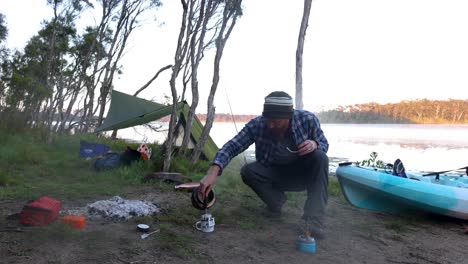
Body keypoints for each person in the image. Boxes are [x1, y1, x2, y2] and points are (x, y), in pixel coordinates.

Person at [199, 91, 329, 239]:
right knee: (248, 171)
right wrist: (212, 174)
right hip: (274, 174)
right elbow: (231, 146)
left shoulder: (307, 120)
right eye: (268, 119)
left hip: (303, 176)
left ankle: (313, 220)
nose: (270, 125)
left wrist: (315, 143)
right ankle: (276, 201)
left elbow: (323, 144)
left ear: (289, 116)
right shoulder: (258, 125)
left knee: (320, 157)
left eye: (276, 121)